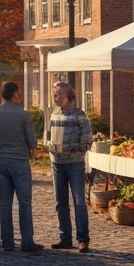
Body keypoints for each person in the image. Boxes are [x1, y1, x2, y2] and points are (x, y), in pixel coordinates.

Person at [0, 81, 42, 253]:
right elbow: (32, 140)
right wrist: (31, 149)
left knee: (5, 203)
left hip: (2, 161)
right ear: (16, 94)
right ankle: (27, 241)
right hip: (19, 160)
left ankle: (7, 242)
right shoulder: (23, 115)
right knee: (24, 202)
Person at [48, 82, 93, 252]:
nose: (55, 97)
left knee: (79, 201)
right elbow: (51, 136)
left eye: (59, 94)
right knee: (60, 202)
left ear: (68, 96)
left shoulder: (79, 115)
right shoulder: (54, 114)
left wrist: (77, 149)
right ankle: (65, 237)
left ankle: (83, 238)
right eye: (54, 94)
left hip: (74, 163)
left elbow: (87, 136)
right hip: (57, 164)